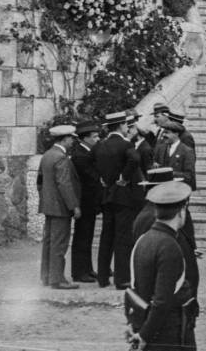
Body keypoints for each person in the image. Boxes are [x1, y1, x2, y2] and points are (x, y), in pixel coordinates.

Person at [125, 181, 198, 351]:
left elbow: (133, 289)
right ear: (181, 212)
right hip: (167, 334)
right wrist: (144, 336)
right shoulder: (170, 245)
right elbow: (162, 300)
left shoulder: (144, 239)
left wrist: (134, 324)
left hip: (145, 324)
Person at [94, 110, 140, 289]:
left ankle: (103, 277)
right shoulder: (126, 145)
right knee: (122, 238)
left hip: (106, 195)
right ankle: (122, 279)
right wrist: (124, 177)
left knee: (106, 236)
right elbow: (135, 159)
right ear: (121, 126)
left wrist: (101, 177)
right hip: (122, 196)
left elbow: (90, 162)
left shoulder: (100, 145)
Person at [38, 124, 82, 289]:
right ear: (64, 139)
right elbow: (64, 184)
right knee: (59, 243)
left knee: (49, 242)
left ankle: (47, 276)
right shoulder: (61, 158)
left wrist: (45, 199)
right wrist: (74, 206)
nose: (72, 142)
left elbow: (40, 182)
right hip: (60, 207)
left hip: (49, 205)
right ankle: (57, 279)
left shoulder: (47, 155)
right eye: (71, 139)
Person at [70, 120, 102, 283]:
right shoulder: (80, 155)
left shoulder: (87, 152)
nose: (98, 139)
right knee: (82, 236)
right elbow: (92, 177)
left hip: (89, 202)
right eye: (95, 137)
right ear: (85, 138)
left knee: (87, 235)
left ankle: (87, 269)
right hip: (84, 202)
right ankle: (79, 272)